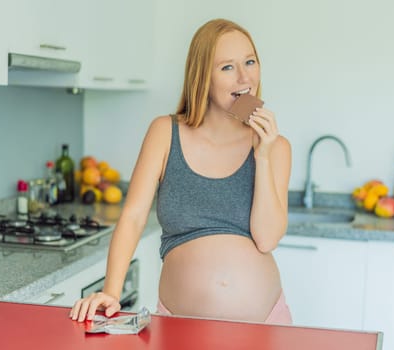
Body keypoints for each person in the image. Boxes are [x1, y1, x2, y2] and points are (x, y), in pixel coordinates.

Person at [70, 18, 292, 324]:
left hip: (265, 328)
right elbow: (133, 217)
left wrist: (264, 156)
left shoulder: (275, 147)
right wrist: (112, 291)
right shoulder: (165, 132)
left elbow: (266, 239)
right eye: (227, 67)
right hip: (181, 329)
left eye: (250, 62)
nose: (245, 77)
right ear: (203, 77)